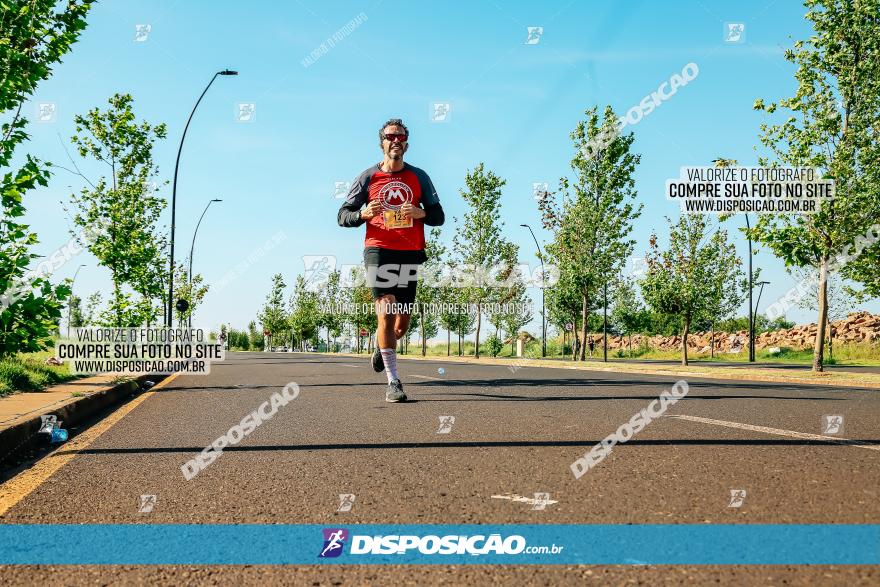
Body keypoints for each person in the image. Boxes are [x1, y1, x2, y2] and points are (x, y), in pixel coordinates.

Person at [337, 118, 445, 402]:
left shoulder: (419, 177)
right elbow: (342, 216)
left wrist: (420, 213)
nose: (395, 141)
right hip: (379, 249)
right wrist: (362, 214)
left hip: (410, 251)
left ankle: (381, 347)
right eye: (390, 136)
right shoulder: (367, 177)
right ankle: (393, 381)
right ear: (382, 142)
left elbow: (439, 216)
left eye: (400, 137)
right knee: (385, 311)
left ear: (407, 144)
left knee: (400, 325)